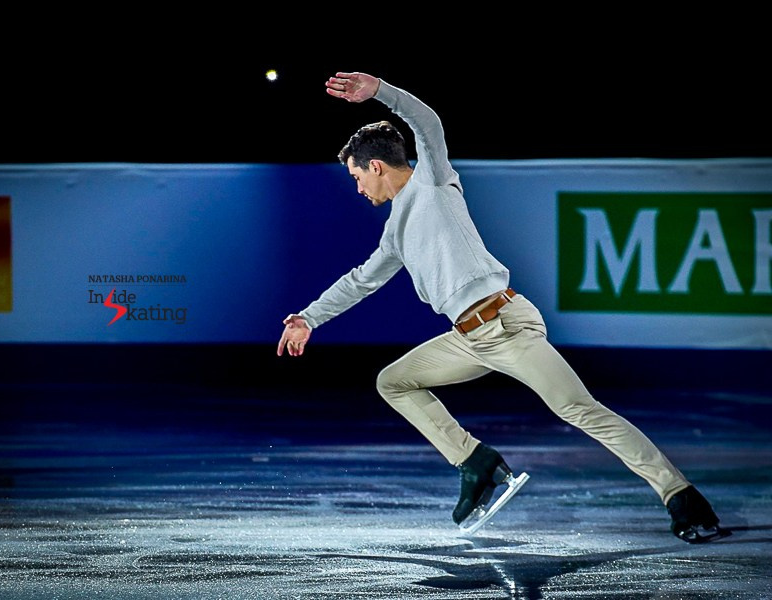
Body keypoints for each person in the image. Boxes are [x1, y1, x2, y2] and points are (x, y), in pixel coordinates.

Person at [276, 71, 726, 543]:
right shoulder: (395, 231)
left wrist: (381, 93)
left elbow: (426, 123)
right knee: (393, 381)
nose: (358, 189)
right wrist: (310, 316)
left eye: (356, 177)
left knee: (580, 409)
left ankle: (681, 496)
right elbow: (360, 281)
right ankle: (474, 460)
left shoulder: (432, 182)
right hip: (468, 339)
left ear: (376, 167)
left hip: (506, 326)